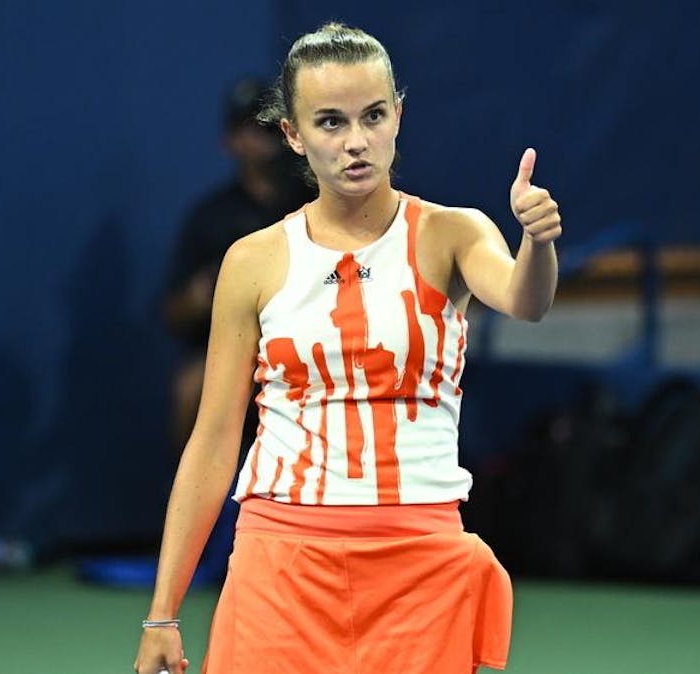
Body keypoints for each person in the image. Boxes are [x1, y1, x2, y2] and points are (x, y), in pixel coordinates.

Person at [135, 22, 562, 674]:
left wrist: (537, 242)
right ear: (293, 135)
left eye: (373, 116)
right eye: (330, 122)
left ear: (398, 117)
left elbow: (525, 299)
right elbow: (214, 440)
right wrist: (162, 612)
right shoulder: (252, 261)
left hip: (420, 566)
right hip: (279, 567)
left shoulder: (455, 233)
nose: (356, 141)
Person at [163, 77, 314, 462]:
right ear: (228, 141)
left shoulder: (314, 205)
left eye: (268, 125)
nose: (260, 136)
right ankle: (198, 494)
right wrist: (199, 295)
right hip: (234, 348)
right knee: (191, 387)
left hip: (308, 339)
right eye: (249, 127)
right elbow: (173, 313)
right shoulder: (210, 217)